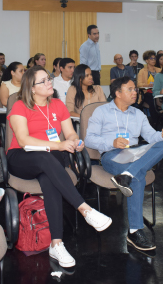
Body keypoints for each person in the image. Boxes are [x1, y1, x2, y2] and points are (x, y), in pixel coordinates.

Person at [7, 66, 112, 267]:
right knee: (47, 159)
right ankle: (85, 209)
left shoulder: (57, 104)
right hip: (22, 157)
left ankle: (56, 244)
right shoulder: (20, 106)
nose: (49, 83)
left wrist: (74, 141)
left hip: (50, 158)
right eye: (43, 81)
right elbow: (22, 140)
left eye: (49, 79)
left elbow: (70, 132)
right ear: (31, 87)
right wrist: (59, 145)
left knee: (49, 179)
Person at [85, 76, 163, 251]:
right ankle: (134, 231)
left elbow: (151, 137)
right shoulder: (102, 112)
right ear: (117, 93)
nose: (135, 93)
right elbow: (89, 139)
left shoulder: (138, 114)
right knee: (138, 178)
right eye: (130, 89)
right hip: (112, 155)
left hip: (135, 154)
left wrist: (162, 135)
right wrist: (111, 143)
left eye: (135, 89)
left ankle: (127, 175)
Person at [137, 50, 161, 120]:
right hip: (147, 93)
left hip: (158, 92)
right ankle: (155, 121)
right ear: (146, 60)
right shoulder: (142, 71)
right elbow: (139, 84)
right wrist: (148, 85)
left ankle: (162, 119)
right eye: (151, 58)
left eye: (154, 58)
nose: (153, 60)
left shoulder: (159, 70)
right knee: (153, 102)